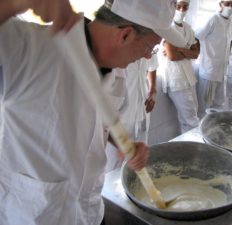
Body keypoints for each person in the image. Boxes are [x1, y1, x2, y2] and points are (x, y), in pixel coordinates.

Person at [0, 0, 188, 224]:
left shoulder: (117, 72)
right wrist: (15, 4)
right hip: (36, 213)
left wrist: (123, 144)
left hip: (90, 211)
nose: (149, 56)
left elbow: (99, 124)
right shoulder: (30, 48)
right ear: (125, 35)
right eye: (151, 47)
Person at [105, 55, 158, 172]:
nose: (149, 54)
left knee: (139, 164)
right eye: (149, 47)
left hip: (142, 112)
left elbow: (153, 66)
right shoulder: (114, 60)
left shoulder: (149, 47)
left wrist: (153, 90)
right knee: (114, 168)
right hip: (120, 121)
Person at [159, 0, 200, 133]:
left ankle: (188, 147)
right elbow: (172, 56)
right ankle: (195, 148)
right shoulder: (166, 27)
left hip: (189, 77)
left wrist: (181, 50)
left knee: (189, 117)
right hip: (176, 79)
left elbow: (196, 53)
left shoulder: (188, 28)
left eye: (185, 7)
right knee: (191, 120)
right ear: (172, 7)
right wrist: (188, 50)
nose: (182, 10)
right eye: (178, 6)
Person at [195, 0, 232, 116]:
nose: (230, 7)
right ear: (220, 4)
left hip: (222, 70)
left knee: (219, 104)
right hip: (209, 70)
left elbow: (231, 40)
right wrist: (197, 54)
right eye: (227, 4)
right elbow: (197, 36)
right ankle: (200, 131)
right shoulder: (213, 19)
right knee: (204, 106)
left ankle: (215, 130)